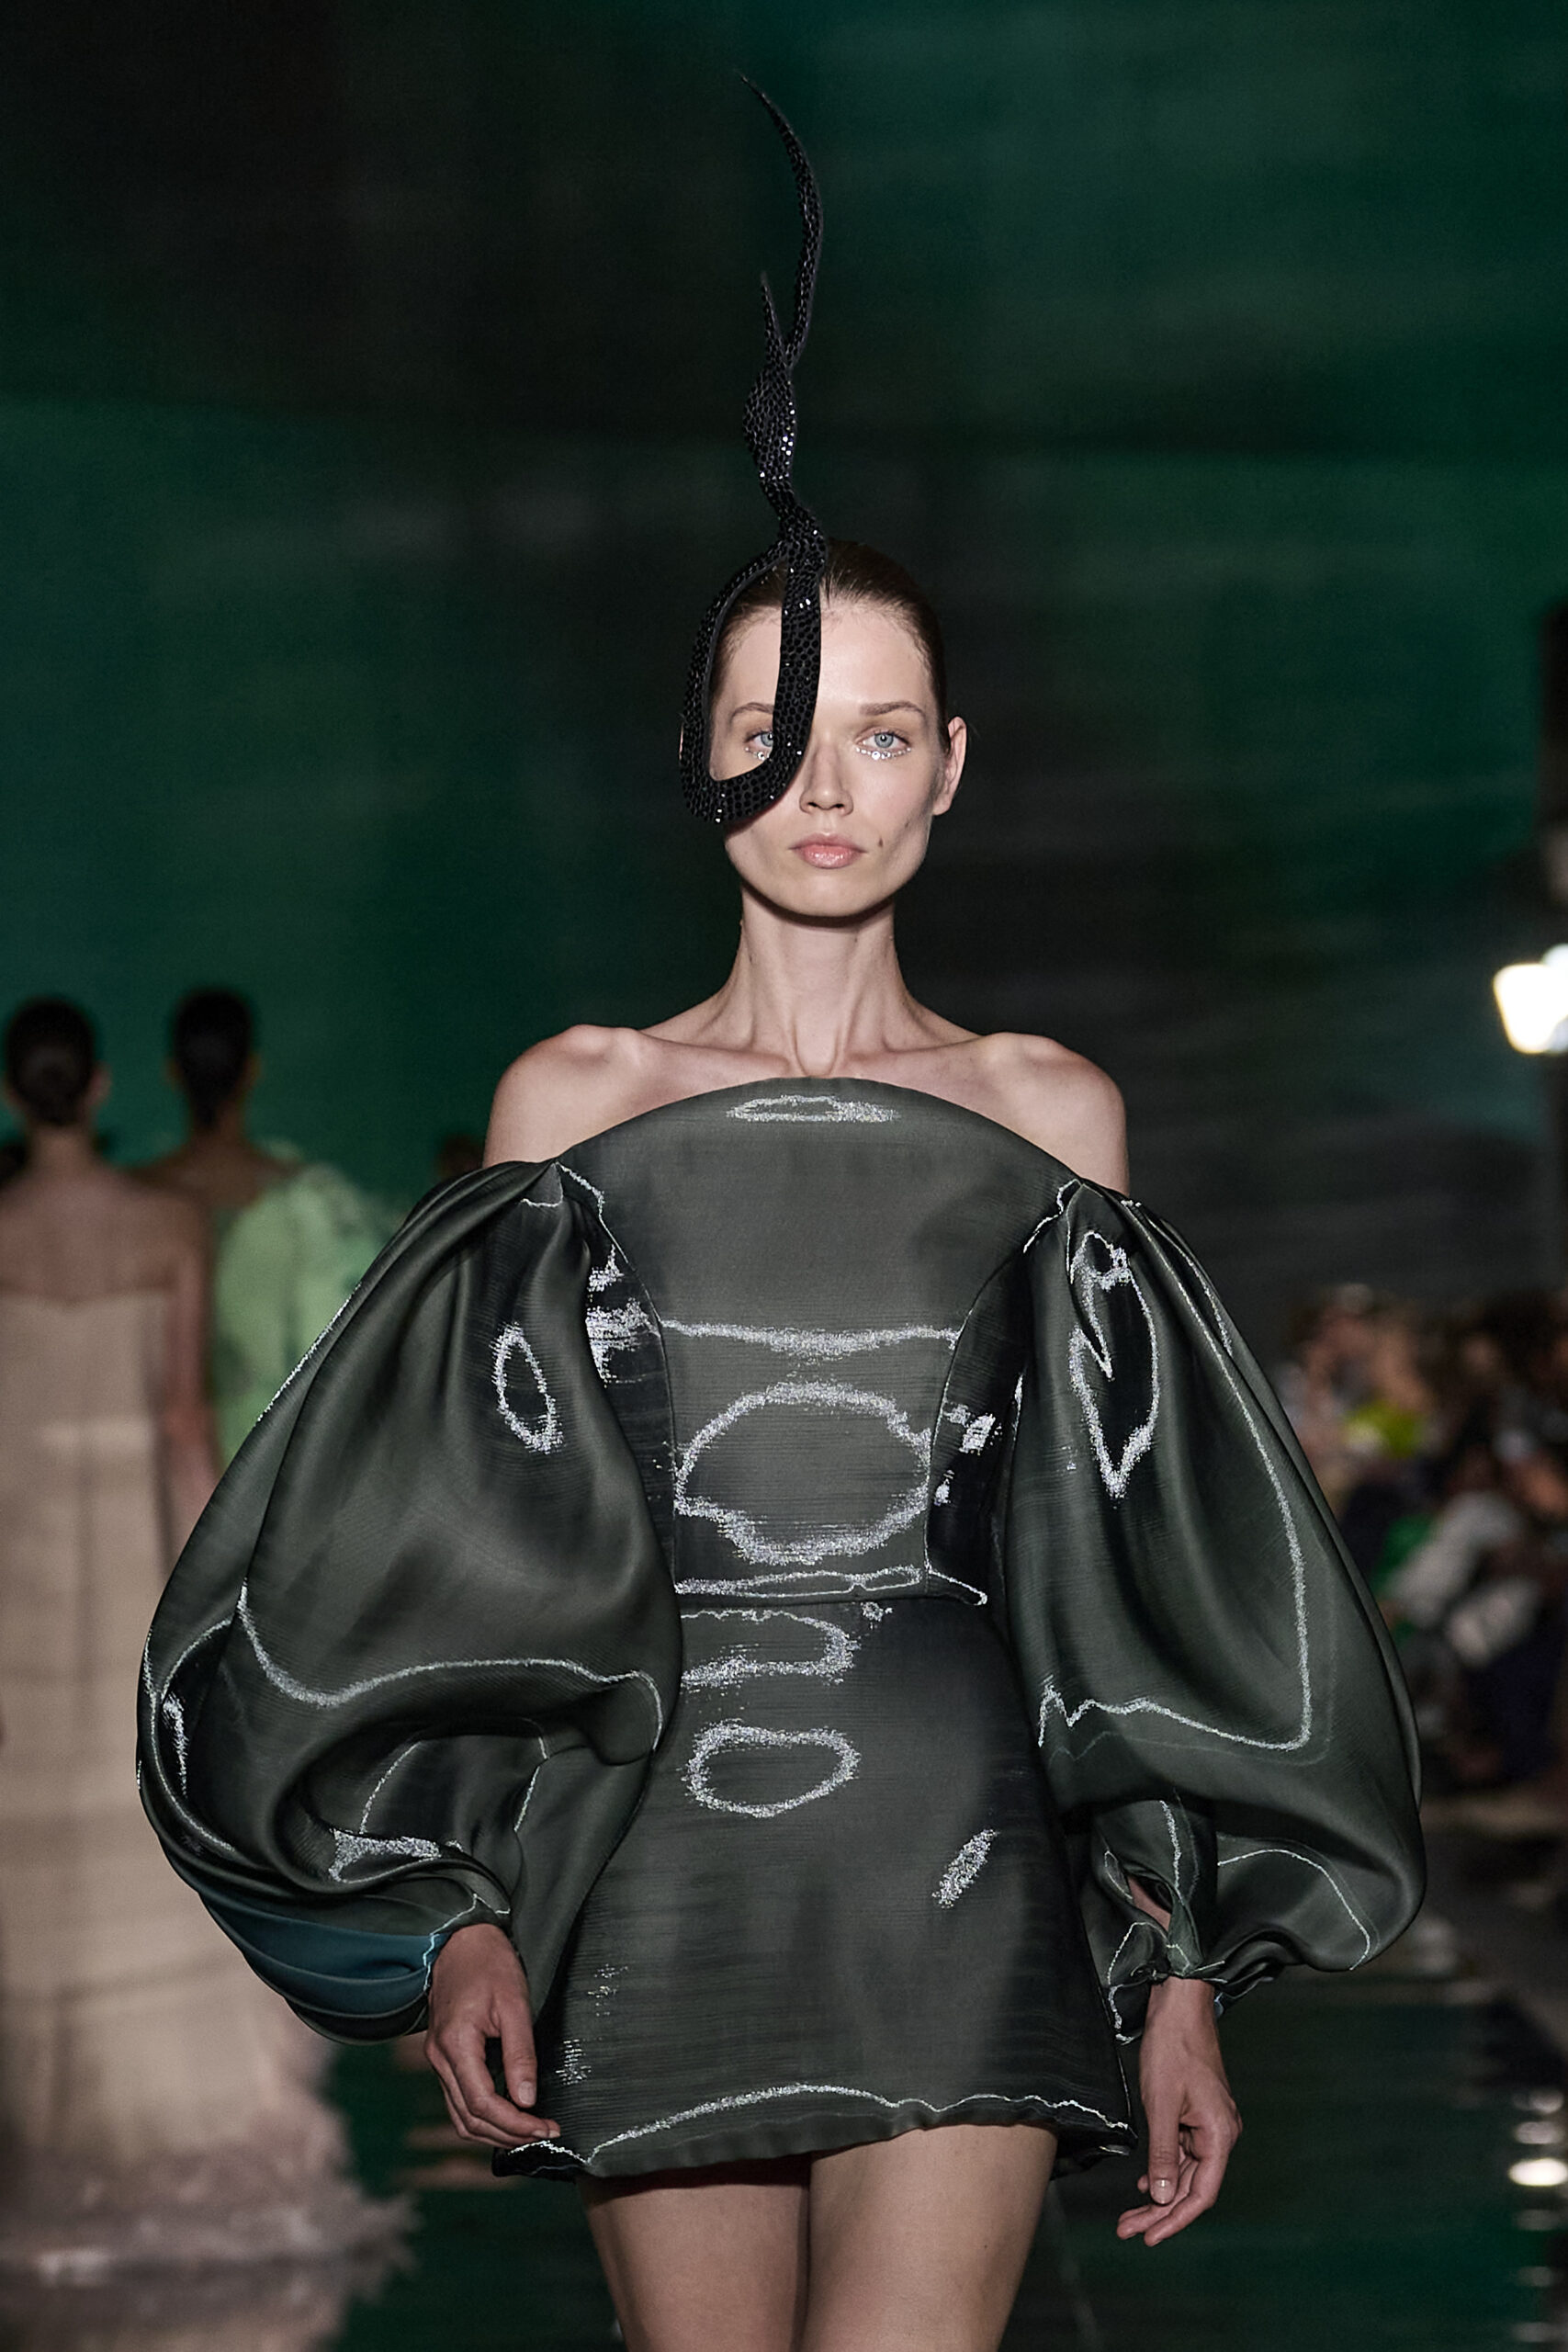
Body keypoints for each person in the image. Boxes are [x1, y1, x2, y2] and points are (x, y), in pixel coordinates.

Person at [140, 97, 1422, 2352]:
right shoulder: (571, 1103)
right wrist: (464, 1901)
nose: (826, 785)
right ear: (700, 750)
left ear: (952, 764)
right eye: (775, 727)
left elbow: (1127, 1566)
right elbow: (460, 1549)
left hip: (964, 1848)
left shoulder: (1048, 1117)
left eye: (882, 734)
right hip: (652, 1853)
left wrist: (1176, 1966)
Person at [0, 1000, 380, 2267]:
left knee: (34, 1838)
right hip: (129, 1553)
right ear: (103, 1086)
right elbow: (179, 1421)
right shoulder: (166, 1225)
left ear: (15, 1095)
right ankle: (170, 2119)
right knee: (137, 1816)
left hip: (19, 1560)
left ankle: (51, 2131)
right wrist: (217, 1593)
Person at [141, 988, 393, 1462]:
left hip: (154, 1470)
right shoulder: (312, 1204)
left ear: (172, 1073)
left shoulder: (135, 1201)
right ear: (253, 1071)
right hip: (268, 1471)